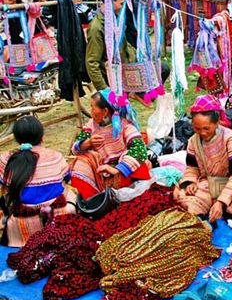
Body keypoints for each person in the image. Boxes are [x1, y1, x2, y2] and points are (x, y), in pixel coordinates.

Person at [174, 94, 232, 223]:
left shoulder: (231, 139)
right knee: (185, 200)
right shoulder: (193, 141)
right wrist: (190, 182)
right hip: (208, 184)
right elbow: (192, 167)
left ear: (217, 123)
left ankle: (218, 209)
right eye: (197, 129)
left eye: (206, 128)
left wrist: (221, 202)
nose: (202, 133)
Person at [0, 116, 76, 247]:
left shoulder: (5, 159)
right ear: (42, 136)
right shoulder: (55, 156)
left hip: (21, 224)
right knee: (70, 192)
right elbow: (68, 178)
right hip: (59, 218)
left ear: (16, 138)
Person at [70, 89, 151, 200]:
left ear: (105, 111)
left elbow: (140, 150)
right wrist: (87, 143)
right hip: (101, 175)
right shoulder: (91, 126)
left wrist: (117, 169)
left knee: (139, 162)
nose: (91, 112)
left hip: (123, 173)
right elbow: (75, 150)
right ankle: (92, 200)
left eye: (93, 108)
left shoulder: (125, 126)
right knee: (80, 162)